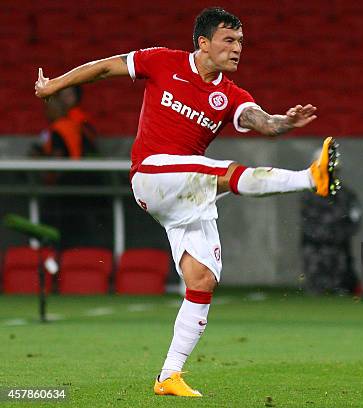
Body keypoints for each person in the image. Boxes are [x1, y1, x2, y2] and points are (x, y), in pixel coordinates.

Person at [34, 7, 340, 397]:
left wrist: (283, 121)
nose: (237, 49)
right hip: (151, 174)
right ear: (203, 42)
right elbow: (104, 68)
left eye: (241, 42)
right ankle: (309, 178)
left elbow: (260, 120)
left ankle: (169, 376)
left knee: (203, 280)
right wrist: (54, 85)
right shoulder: (163, 62)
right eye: (229, 40)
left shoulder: (230, 96)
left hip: (182, 193)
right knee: (225, 172)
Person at [301, 149, 361, 295]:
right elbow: (307, 223)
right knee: (316, 290)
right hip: (314, 250)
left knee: (341, 289)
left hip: (339, 250)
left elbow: (355, 220)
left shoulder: (347, 195)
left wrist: (339, 236)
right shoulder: (309, 196)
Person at [58, 85, 98, 156]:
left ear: (76, 96)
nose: (65, 98)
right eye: (62, 95)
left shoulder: (79, 116)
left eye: (69, 95)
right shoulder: (57, 116)